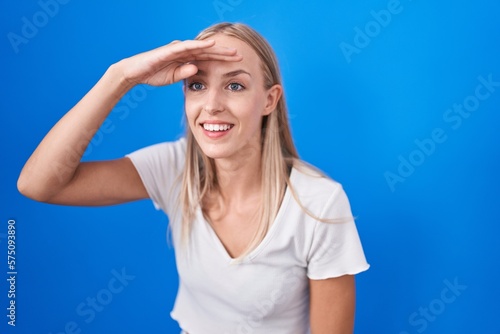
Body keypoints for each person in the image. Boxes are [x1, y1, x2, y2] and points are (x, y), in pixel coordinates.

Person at [18, 22, 369, 334]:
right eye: (197, 85)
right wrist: (120, 77)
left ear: (269, 100)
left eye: (235, 86)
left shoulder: (318, 204)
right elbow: (39, 184)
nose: (212, 104)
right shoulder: (174, 168)